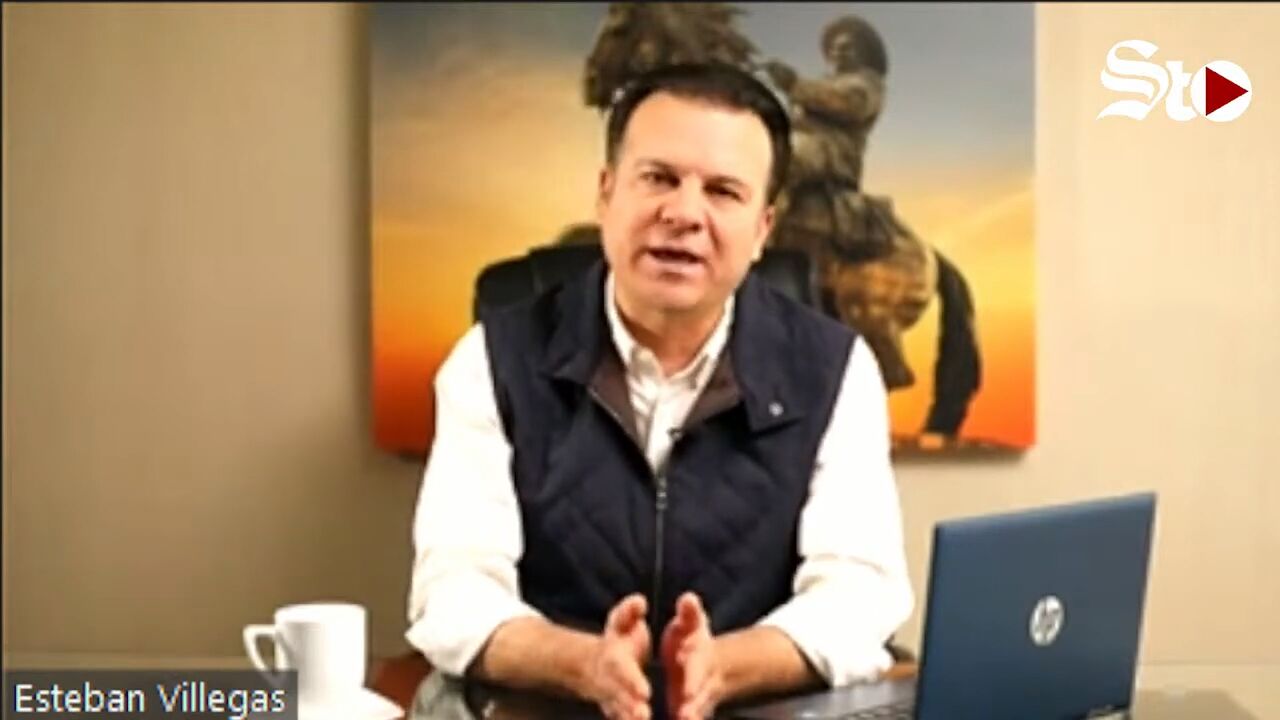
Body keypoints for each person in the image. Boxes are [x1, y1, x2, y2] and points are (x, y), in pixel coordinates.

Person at [406, 63, 913, 720]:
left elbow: (858, 593)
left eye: (723, 191)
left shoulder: (837, 369)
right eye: (658, 178)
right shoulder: (491, 360)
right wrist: (584, 665)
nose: (684, 214)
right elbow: (453, 593)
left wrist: (725, 667)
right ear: (606, 194)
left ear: (763, 229)